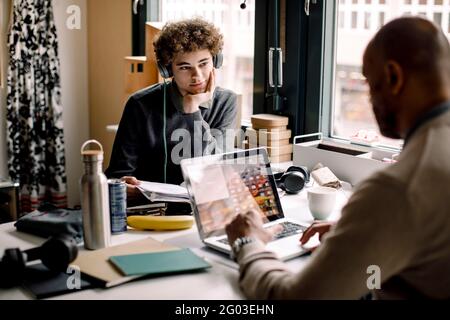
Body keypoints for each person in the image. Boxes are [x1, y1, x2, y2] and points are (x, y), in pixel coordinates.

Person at [225, 16, 450, 299]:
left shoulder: (398, 189)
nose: (369, 99)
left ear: (393, 77)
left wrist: (248, 244)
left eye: (370, 82)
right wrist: (364, 237)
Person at [106, 18, 237, 198]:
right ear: (167, 69)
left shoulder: (225, 102)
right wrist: (123, 185)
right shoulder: (140, 104)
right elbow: (116, 175)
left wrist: (192, 110)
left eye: (204, 63)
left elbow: (217, 169)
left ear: (215, 61)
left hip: (201, 207)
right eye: (184, 67)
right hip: (149, 208)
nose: (197, 76)